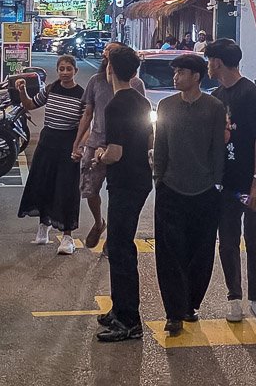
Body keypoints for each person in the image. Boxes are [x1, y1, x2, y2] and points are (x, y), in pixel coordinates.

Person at [153, 53, 226, 336]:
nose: (175, 77)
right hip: (170, 188)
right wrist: (159, 178)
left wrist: (217, 182)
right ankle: (173, 312)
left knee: (201, 251)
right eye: (175, 73)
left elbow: (217, 150)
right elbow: (160, 146)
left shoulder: (214, 107)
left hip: (205, 190)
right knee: (169, 252)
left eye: (181, 72)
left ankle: (190, 304)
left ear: (196, 76)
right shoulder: (166, 106)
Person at [205, 38, 256, 326]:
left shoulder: (249, 93)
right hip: (227, 182)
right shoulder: (217, 95)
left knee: (254, 239)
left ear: (218, 62)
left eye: (209, 60)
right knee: (228, 240)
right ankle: (234, 299)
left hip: (253, 180)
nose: (207, 65)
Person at [94, 46, 154, 343]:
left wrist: (99, 156)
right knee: (120, 246)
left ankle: (129, 320)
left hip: (125, 182)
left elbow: (115, 153)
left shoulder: (116, 105)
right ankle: (119, 310)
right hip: (140, 178)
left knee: (120, 249)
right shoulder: (141, 101)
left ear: (110, 71)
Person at [71, 45, 146, 249]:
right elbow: (88, 113)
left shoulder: (136, 85)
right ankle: (99, 223)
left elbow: (142, 122)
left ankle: (114, 235)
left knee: (118, 195)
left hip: (119, 148)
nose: (106, 56)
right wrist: (77, 143)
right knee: (89, 189)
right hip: (96, 143)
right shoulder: (96, 82)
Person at [15, 55, 85, 254]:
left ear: (75, 71)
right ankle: (43, 228)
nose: (64, 72)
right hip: (47, 142)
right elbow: (29, 105)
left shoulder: (82, 94)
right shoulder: (51, 89)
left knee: (66, 189)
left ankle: (67, 237)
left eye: (68, 69)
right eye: (61, 68)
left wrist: (79, 146)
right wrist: (22, 90)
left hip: (68, 144)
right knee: (42, 183)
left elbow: (85, 123)